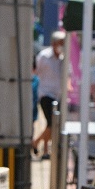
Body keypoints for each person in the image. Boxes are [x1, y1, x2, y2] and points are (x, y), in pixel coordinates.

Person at [32, 30, 65, 159]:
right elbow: (35, 72)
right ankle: (36, 142)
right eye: (60, 43)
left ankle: (45, 149)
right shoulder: (43, 56)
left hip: (58, 95)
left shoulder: (63, 58)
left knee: (50, 124)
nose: (62, 45)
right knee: (52, 124)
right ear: (53, 43)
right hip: (45, 94)